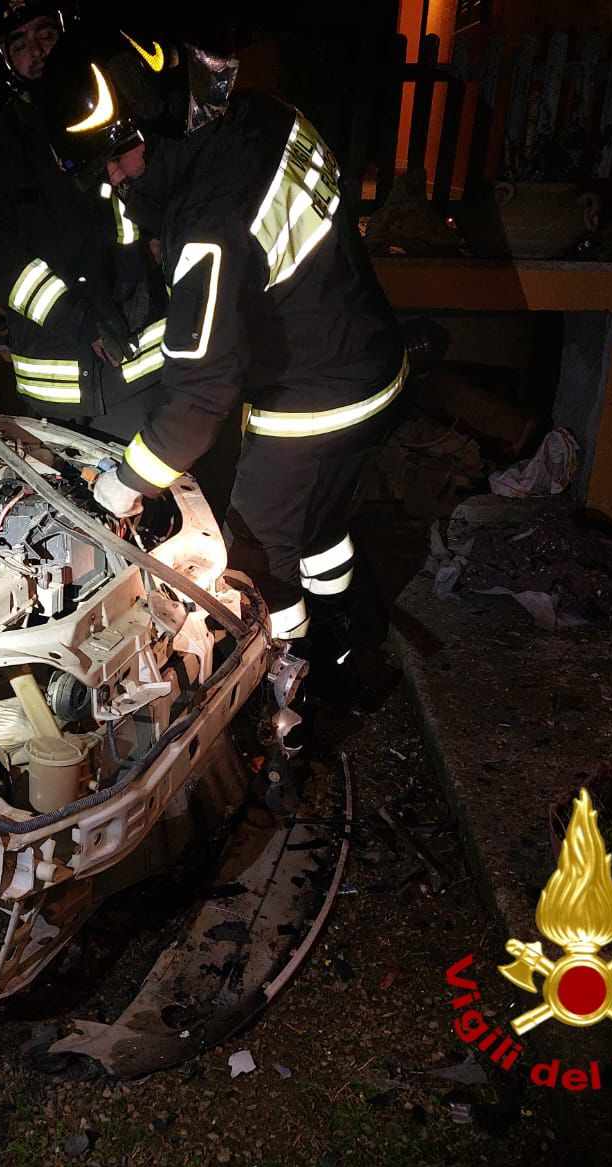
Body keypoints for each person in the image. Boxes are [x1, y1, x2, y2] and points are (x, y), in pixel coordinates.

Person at [38, 32, 423, 690]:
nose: (113, 178)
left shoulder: (207, 221)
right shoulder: (263, 113)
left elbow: (198, 400)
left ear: (154, 123)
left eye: (116, 157)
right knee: (322, 522)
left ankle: (289, 680)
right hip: (375, 365)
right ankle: (348, 634)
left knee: (258, 548)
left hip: (312, 401)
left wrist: (123, 485)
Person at [0, 2, 172, 440]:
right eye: (19, 45)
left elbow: (146, 210)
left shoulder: (114, 109)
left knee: (151, 476)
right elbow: (6, 267)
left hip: (135, 372)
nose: (36, 51)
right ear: (5, 62)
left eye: (45, 35)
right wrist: (80, 320)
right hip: (55, 383)